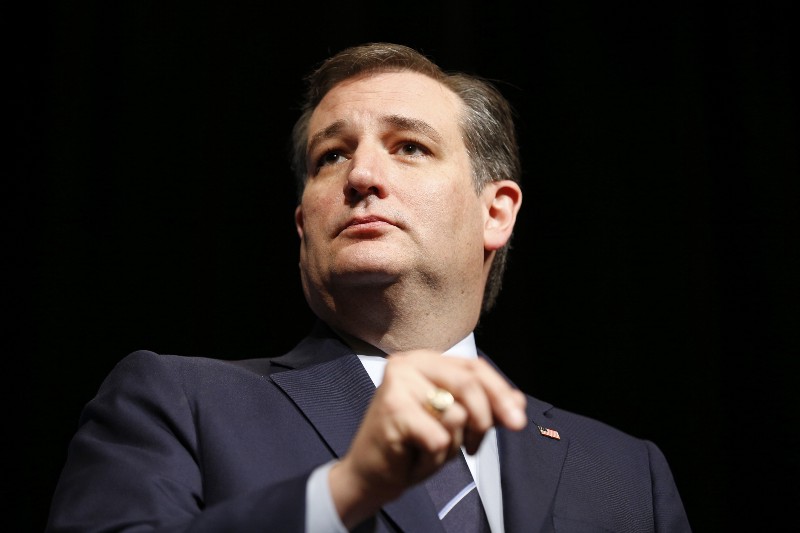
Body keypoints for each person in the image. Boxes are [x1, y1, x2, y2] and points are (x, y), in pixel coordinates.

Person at [46, 42, 691, 532]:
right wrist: (344, 492)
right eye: (332, 155)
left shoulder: (629, 474)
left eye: (408, 146)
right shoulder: (177, 403)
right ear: (304, 224)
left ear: (495, 212)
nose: (361, 176)